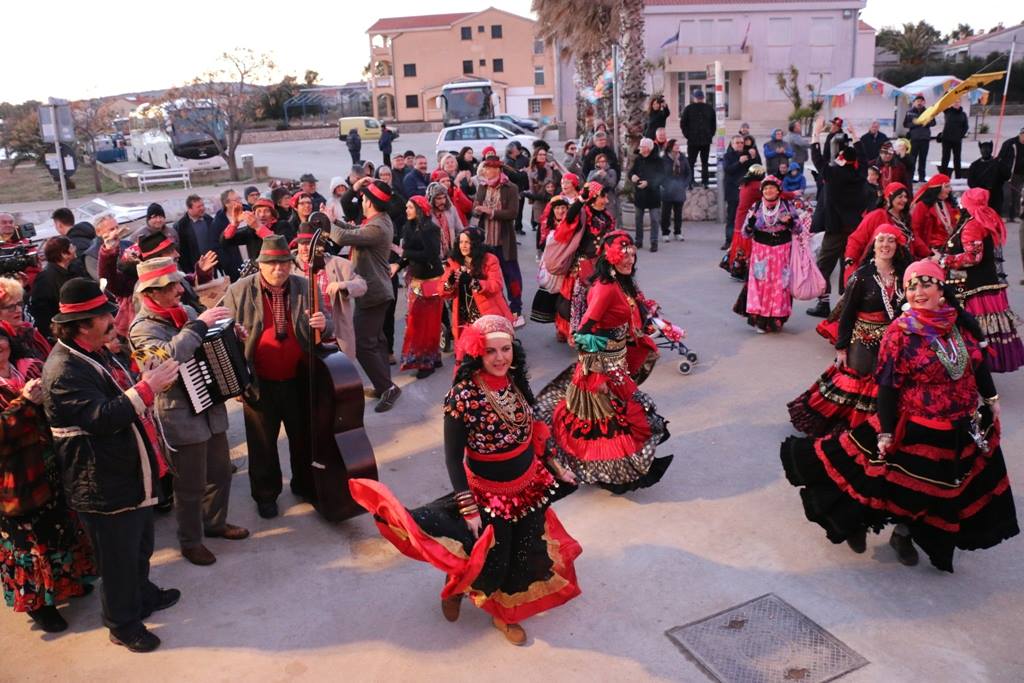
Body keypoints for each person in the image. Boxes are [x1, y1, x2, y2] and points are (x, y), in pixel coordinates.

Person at [348, 315, 580, 646]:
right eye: (491, 352)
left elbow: (533, 431)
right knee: (492, 560)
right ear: (476, 354)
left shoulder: (515, 381)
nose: (501, 358)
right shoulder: (462, 397)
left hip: (529, 487)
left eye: (506, 349)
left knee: (522, 556)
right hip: (488, 495)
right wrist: (468, 507)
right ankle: (455, 588)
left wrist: (555, 465)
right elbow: (452, 458)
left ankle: (504, 615)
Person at [781, 260, 1019, 572]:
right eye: (912, 286)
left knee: (941, 493)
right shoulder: (900, 333)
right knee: (884, 486)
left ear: (941, 289)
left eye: (926, 284)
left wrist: (992, 399)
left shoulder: (958, 322)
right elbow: (887, 386)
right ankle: (856, 525)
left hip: (958, 427)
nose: (918, 292)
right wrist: (886, 432)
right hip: (914, 428)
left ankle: (903, 535)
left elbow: (977, 363)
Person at [42, 277, 182, 652]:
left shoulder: (94, 351)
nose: (113, 317)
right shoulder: (63, 371)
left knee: (139, 545)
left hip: (125, 473)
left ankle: (142, 595)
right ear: (82, 325)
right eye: (104, 314)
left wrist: (143, 379)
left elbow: (121, 392)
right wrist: (147, 387)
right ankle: (122, 623)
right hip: (102, 484)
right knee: (118, 558)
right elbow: (102, 418)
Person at [128, 258, 249, 566]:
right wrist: (198, 326)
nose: (179, 290)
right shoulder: (141, 329)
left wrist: (230, 334)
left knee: (221, 471)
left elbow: (208, 344)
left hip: (209, 404)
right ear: (151, 293)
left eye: (177, 283)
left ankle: (215, 522)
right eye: (170, 287)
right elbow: (164, 360)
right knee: (190, 483)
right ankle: (190, 540)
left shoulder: (189, 312)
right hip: (178, 412)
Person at [535, 231, 672, 492]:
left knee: (616, 419)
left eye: (632, 254)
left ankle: (614, 471)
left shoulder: (621, 282)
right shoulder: (605, 289)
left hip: (616, 363)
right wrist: (599, 373)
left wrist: (638, 331)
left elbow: (622, 316)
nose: (629, 259)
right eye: (623, 255)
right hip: (601, 369)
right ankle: (610, 473)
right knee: (606, 424)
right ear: (610, 258)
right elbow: (583, 334)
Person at [222, 235, 327, 519]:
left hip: (298, 380)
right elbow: (220, 333)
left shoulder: (306, 287)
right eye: (271, 263)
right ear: (260, 264)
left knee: (302, 438)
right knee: (262, 444)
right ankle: (266, 495)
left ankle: (304, 485)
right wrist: (234, 378)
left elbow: (325, 331)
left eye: (283, 263)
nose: (278, 269)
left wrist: (323, 324)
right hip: (259, 382)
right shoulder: (238, 291)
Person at [0, 328, 94, 633]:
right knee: (30, 543)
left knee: (60, 526)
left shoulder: (25, 366)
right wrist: (24, 404)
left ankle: (69, 582)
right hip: (15, 480)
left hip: (48, 466)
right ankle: (39, 604)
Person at [789, 225, 909, 437]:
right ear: (873, 245)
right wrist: (842, 349)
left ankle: (884, 428)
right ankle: (860, 431)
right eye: (881, 240)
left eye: (891, 241)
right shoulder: (861, 277)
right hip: (863, 340)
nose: (886, 245)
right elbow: (846, 315)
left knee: (888, 385)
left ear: (897, 246)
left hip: (893, 342)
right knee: (861, 383)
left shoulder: (904, 275)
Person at [328, 180, 402, 411]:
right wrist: (335, 222)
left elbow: (341, 238)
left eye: (363, 198)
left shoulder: (378, 227)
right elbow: (354, 231)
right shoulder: (378, 221)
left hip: (373, 292)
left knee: (362, 343)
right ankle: (384, 386)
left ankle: (387, 387)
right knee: (376, 341)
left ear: (369, 202)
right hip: (376, 290)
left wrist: (330, 224)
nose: (361, 200)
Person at [943, 187, 1024, 373]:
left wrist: (945, 260)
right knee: (984, 332)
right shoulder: (985, 216)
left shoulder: (973, 223)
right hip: (985, 285)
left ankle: (976, 374)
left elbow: (973, 257)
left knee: (974, 332)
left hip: (972, 288)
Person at [733, 175, 811, 333]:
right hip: (761, 251)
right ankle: (760, 319)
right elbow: (745, 234)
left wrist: (789, 223)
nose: (769, 191)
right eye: (766, 188)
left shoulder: (787, 206)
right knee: (760, 284)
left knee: (779, 285)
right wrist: (750, 225)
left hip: (781, 251)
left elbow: (798, 229)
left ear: (778, 190)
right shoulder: (756, 207)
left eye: (772, 188)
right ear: (762, 191)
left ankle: (776, 318)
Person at [806, 119, 867, 318]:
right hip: (854, 230)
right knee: (848, 266)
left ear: (840, 158)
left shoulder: (832, 173)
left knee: (824, 265)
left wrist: (815, 133)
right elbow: (864, 158)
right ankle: (846, 303)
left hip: (835, 229)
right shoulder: (860, 174)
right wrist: (856, 137)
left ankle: (823, 303)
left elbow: (816, 159)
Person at [292, 221, 366, 358]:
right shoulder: (290, 266)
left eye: (309, 243)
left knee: (340, 377)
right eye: (301, 244)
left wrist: (342, 285)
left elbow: (362, 285)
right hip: (303, 338)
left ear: (319, 245)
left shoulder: (338, 264)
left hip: (335, 336)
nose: (304, 248)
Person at [473, 151, 524, 328]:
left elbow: (513, 213)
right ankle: (494, 309)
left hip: (504, 241)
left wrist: (492, 212)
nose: (485, 171)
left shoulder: (510, 188)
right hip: (485, 241)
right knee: (488, 277)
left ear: (497, 170)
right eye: (485, 168)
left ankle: (516, 307)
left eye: (488, 168)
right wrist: (477, 210)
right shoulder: (482, 187)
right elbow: (475, 208)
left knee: (511, 275)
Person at [842, 183, 928, 284]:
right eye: (900, 197)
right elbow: (857, 239)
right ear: (888, 198)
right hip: (881, 267)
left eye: (905, 197)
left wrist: (928, 254)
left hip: (903, 265)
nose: (904, 200)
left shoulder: (905, 218)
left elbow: (914, 239)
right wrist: (850, 258)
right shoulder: (877, 215)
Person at [398, 196, 444, 378]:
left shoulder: (431, 228)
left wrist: (405, 253)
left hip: (431, 281)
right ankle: (433, 357)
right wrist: (398, 265)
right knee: (416, 320)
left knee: (427, 322)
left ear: (419, 208)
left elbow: (431, 255)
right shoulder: (408, 227)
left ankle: (427, 363)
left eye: (410, 207)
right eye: (406, 207)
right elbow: (409, 255)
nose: (407, 210)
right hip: (415, 280)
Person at [443, 227, 513, 339]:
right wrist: (450, 282)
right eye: (461, 242)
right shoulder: (454, 262)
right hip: (463, 318)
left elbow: (496, 285)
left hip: (487, 313)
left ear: (475, 244)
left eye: (467, 242)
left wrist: (473, 281)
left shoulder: (490, 259)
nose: (463, 246)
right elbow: (443, 292)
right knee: (466, 353)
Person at [29, 237, 83, 342]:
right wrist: (55, 334)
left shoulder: (74, 269)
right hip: (63, 332)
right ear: (64, 254)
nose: (75, 248)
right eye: (71, 247)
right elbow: (42, 311)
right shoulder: (45, 278)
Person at [724, 164, 767, 280]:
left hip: (740, 218)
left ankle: (736, 270)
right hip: (746, 220)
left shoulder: (745, 183)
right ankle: (742, 272)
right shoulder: (756, 186)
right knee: (746, 247)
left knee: (739, 247)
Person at [0, 277, 50, 360]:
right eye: (11, 307)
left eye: (19, 304)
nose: (19, 310)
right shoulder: (3, 345)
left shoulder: (28, 331)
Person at [629, 138, 665, 252]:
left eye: (642, 146)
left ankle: (654, 242)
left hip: (653, 194)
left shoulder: (658, 160)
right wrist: (632, 176)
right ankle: (638, 241)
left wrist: (648, 183)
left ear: (648, 149)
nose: (640, 148)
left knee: (654, 219)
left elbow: (661, 177)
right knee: (638, 218)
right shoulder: (638, 159)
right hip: (640, 194)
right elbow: (631, 171)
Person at [910, 173, 959, 251]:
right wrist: (925, 250)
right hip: (931, 250)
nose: (950, 189)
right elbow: (915, 231)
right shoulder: (922, 206)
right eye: (946, 186)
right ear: (937, 189)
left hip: (949, 247)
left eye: (949, 186)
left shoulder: (948, 204)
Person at [680, 89, 715, 187]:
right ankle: (705, 182)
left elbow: (683, 124)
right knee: (704, 162)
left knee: (691, 162)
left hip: (693, 140)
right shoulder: (709, 108)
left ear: (694, 98)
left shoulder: (688, 108)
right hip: (705, 140)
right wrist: (710, 134)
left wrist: (687, 135)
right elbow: (713, 125)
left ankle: (691, 181)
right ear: (703, 98)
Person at [721, 136, 749, 251]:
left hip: (745, 191)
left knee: (746, 217)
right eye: (737, 142)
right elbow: (728, 169)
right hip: (732, 190)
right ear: (732, 144)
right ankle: (729, 240)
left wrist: (753, 157)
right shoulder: (727, 156)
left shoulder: (747, 155)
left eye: (742, 143)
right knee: (731, 217)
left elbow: (754, 170)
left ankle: (744, 240)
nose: (740, 144)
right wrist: (739, 162)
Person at [659, 139, 691, 242]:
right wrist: (665, 185)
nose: (677, 147)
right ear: (670, 146)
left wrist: (684, 185)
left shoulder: (682, 158)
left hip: (679, 190)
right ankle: (665, 233)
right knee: (666, 213)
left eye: (678, 145)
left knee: (678, 213)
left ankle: (678, 232)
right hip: (667, 190)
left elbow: (688, 173)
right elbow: (660, 174)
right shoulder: (664, 159)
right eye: (675, 145)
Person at [210, 189, 245, 280]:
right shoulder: (218, 222)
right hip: (235, 266)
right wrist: (228, 263)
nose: (239, 202)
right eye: (236, 200)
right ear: (227, 204)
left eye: (240, 199)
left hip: (253, 260)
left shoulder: (248, 212)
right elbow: (216, 246)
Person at [968, 141, 1008, 214]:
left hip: (995, 195)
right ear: (980, 150)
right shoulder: (975, 165)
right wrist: (980, 190)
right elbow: (970, 182)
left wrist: (1002, 165)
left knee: (995, 216)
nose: (985, 151)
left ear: (991, 150)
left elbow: (1006, 176)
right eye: (983, 149)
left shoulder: (997, 162)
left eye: (987, 149)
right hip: (981, 197)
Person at [903, 95, 935, 183]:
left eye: (921, 101)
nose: (919, 102)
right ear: (914, 102)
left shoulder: (928, 111)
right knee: (912, 159)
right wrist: (916, 123)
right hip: (914, 139)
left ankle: (922, 177)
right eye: (918, 101)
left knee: (923, 159)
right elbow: (905, 124)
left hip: (925, 139)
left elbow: (933, 123)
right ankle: (911, 177)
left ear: (924, 102)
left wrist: (927, 121)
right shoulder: (910, 112)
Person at [997, 126, 1024, 222]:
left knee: (1017, 195)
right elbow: (999, 159)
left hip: (1020, 174)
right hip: (1008, 174)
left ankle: (1015, 215)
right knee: (1006, 194)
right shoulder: (1009, 144)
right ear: (1020, 134)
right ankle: (1004, 215)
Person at [938, 100, 969, 179]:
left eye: (958, 102)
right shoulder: (947, 111)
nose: (956, 103)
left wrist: (960, 135)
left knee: (957, 159)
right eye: (955, 102)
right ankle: (943, 177)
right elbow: (942, 103)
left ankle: (958, 177)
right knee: (945, 158)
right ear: (951, 103)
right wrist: (949, 94)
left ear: (960, 103)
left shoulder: (963, 114)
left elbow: (965, 127)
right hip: (946, 139)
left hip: (957, 140)